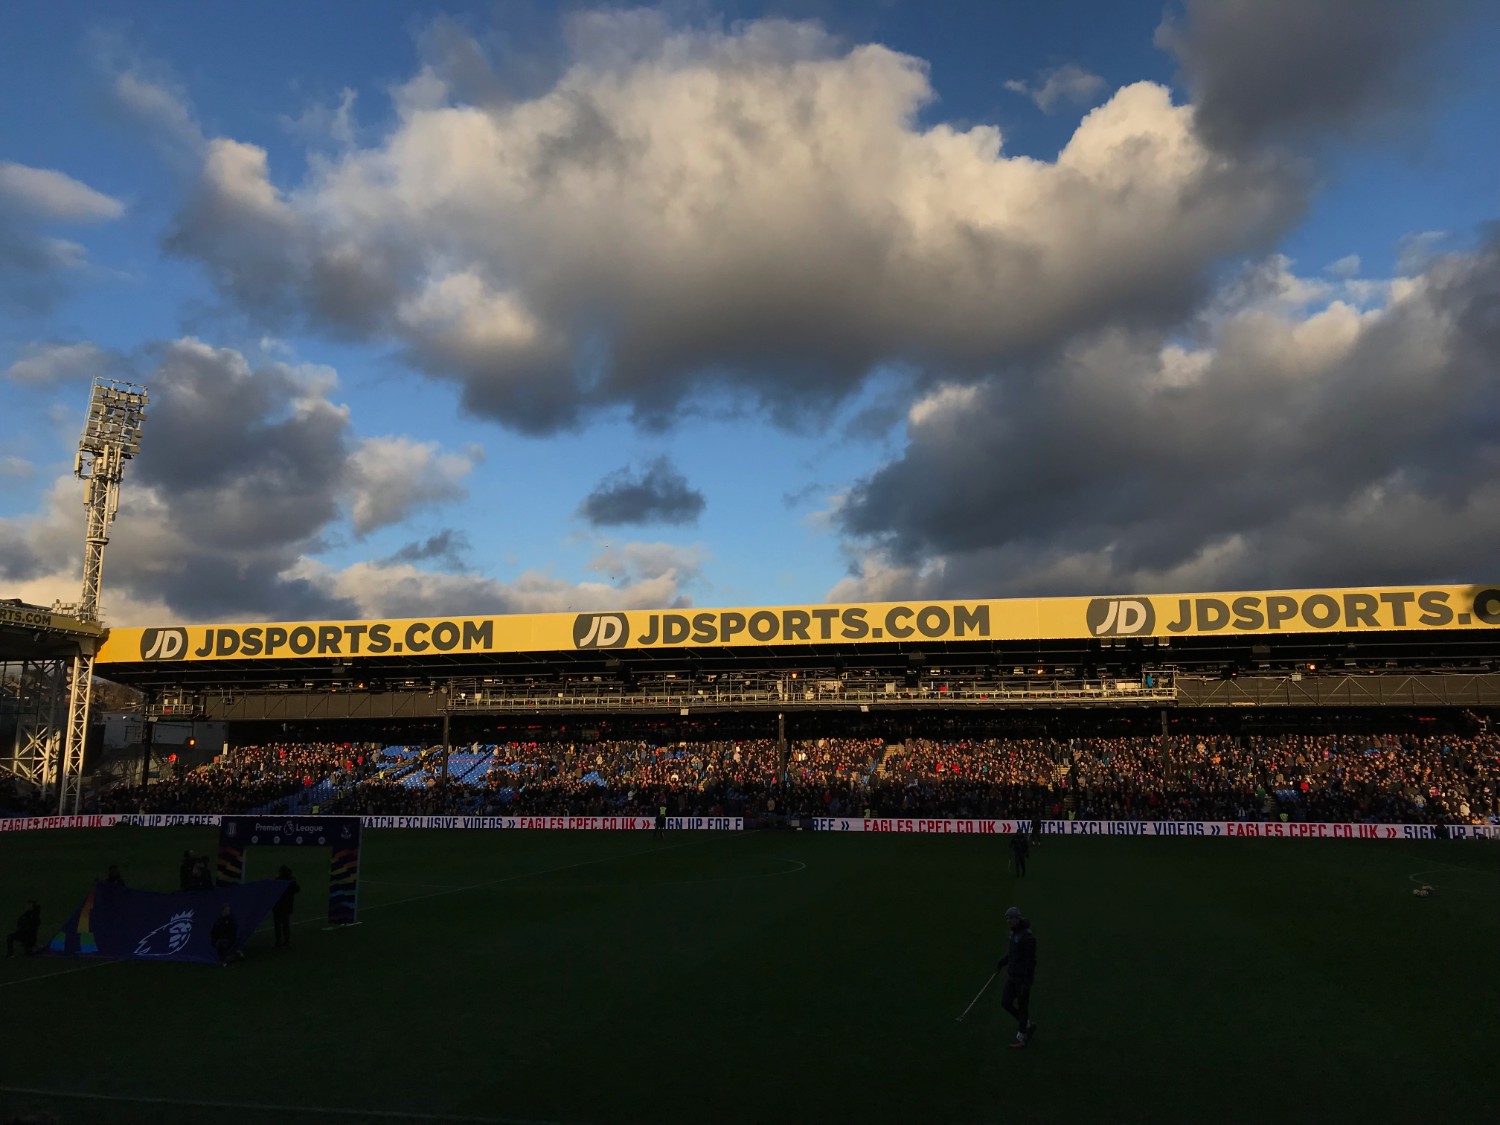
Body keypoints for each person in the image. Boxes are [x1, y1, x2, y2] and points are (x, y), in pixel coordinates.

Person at [996, 906, 1037, 1048]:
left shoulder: (1027, 937)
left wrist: (1027, 981)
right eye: (1007, 918)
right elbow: (1013, 953)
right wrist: (1003, 961)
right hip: (1012, 977)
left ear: (1018, 918)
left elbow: (1030, 961)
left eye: (1011, 918)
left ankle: (1022, 1036)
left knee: (1022, 1005)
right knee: (1006, 1002)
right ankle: (1026, 1024)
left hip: (1022, 979)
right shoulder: (1013, 934)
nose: (1009, 921)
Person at [272, 866, 301, 948]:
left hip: (278, 906)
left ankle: (278, 941)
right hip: (286, 906)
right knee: (285, 925)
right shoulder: (291, 882)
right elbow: (297, 889)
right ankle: (286, 941)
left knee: (278, 925)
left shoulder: (278, 881)